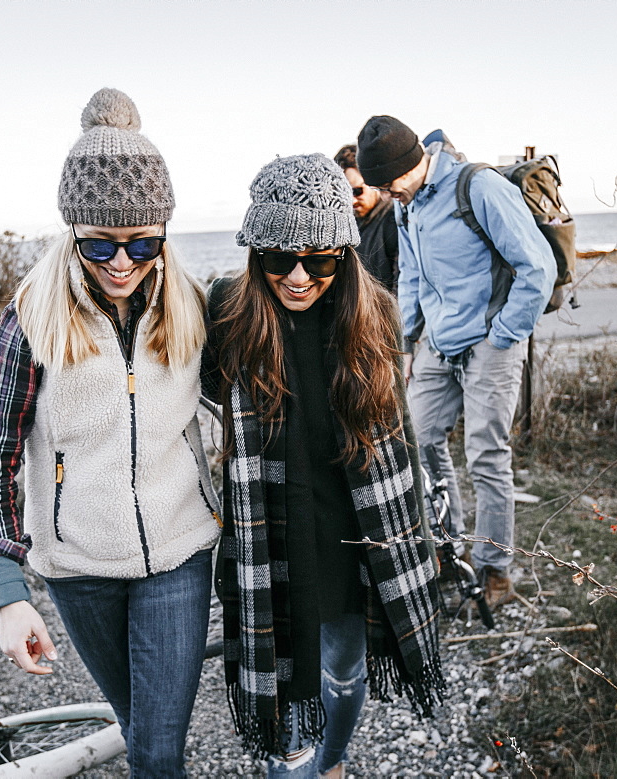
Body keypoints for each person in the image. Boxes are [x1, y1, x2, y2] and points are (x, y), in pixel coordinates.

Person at [0, 88, 220, 778]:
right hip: (77, 566)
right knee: (139, 725)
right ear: (70, 231)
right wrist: (9, 591)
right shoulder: (30, 320)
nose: (121, 262)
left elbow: (258, 394)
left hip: (179, 554)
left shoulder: (192, 307)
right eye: (99, 244)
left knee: (159, 744)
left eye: (143, 243)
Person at [203, 153, 444, 778]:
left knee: (344, 673)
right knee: (284, 703)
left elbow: (400, 441)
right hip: (271, 537)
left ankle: (332, 762)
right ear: (256, 254)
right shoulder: (229, 313)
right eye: (280, 258)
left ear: (345, 253)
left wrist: (416, 535)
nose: (300, 276)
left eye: (320, 259)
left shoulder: (375, 316)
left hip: (356, 536)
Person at [356, 115, 556, 609]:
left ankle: (495, 575)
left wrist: (506, 334)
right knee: (419, 441)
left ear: (412, 163)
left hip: (492, 343)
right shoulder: (407, 205)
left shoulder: (479, 187)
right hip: (437, 346)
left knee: (486, 456)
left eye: (389, 184)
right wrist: (405, 343)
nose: (386, 194)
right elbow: (413, 280)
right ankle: (448, 551)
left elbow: (539, 266)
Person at [332, 143, 399, 293]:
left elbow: (404, 286)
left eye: (357, 191)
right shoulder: (342, 227)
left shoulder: (395, 221)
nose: (352, 200)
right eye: (343, 194)